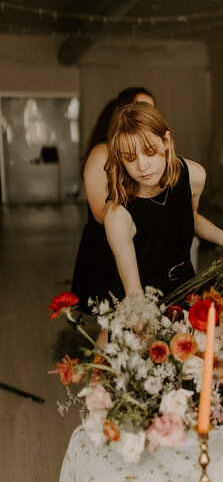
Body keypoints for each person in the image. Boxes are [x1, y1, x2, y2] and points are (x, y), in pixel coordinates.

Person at [103, 102, 223, 330]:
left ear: (166, 141)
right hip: (144, 306)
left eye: (149, 151)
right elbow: (134, 294)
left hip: (187, 286)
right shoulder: (118, 215)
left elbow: (190, 218)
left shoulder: (193, 175)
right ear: (120, 158)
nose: (142, 166)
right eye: (129, 157)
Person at [71, 88, 155, 320]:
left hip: (126, 242)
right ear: (121, 112)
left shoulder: (137, 156)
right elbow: (100, 213)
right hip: (104, 247)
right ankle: (102, 357)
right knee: (114, 323)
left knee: (120, 323)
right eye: (140, 109)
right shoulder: (102, 152)